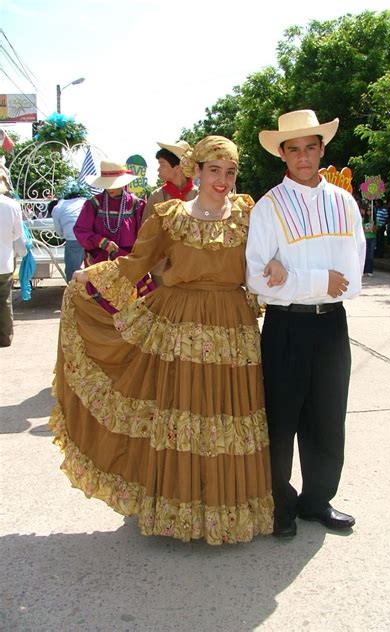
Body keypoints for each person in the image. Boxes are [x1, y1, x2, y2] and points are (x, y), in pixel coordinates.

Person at [48, 136, 273, 545]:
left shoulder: (248, 215)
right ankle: (178, 512)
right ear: (197, 171)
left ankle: (224, 511)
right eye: (214, 171)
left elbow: (261, 264)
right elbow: (137, 263)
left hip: (232, 326)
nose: (222, 181)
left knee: (225, 416)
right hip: (178, 326)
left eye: (230, 172)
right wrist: (91, 278)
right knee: (181, 417)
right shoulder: (170, 215)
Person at [246, 109, 365, 538]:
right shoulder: (269, 207)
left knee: (328, 417)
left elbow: (350, 277)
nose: (303, 156)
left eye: (310, 147)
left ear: (321, 149)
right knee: (281, 420)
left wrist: (291, 276)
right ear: (283, 154)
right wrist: (317, 280)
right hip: (286, 327)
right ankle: (280, 504)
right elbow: (257, 277)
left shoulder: (343, 202)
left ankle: (318, 500)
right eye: (293, 148)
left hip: (332, 325)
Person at [142, 140, 198, 285]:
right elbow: (146, 233)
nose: (158, 170)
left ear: (178, 167)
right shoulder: (157, 196)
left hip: (194, 268)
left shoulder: (199, 195)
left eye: (162, 164)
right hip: (162, 268)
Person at [74, 160, 146, 267]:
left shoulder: (136, 204)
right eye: (107, 184)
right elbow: (81, 230)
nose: (110, 188)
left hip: (128, 262)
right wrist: (101, 242)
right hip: (99, 261)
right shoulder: (94, 203)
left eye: (114, 184)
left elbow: (145, 235)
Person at [0, 172, 26, 347]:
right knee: (4, 300)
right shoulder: (11, 205)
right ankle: (5, 337)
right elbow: (18, 234)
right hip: (4, 260)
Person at [52, 179, 88, 282]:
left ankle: (73, 292)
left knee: (72, 270)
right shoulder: (86, 202)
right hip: (91, 237)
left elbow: (59, 231)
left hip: (73, 238)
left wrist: (63, 235)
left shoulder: (59, 207)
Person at [360, 201, 376, 276]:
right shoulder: (363, 219)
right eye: (368, 210)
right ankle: (363, 270)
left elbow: (376, 231)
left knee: (371, 255)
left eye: (370, 210)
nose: (369, 212)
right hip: (365, 238)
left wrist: (373, 225)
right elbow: (362, 229)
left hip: (372, 238)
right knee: (365, 254)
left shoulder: (374, 220)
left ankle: (370, 270)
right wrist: (368, 230)